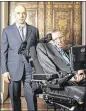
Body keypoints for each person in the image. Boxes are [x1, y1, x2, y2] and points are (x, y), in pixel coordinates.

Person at [1, 5, 39, 111]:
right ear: (15, 14)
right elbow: (3, 52)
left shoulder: (34, 30)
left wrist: (37, 69)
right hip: (13, 69)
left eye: (23, 13)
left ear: (26, 14)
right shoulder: (7, 31)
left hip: (30, 69)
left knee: (31, 96)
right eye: (18, 13)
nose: (21, 15)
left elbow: (37, 51)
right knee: (15, 97)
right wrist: (4, 71)